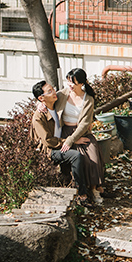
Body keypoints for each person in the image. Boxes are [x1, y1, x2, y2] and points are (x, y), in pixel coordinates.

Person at [31, 68, 105, 205]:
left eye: (73, 83)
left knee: (93, 156)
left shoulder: (88, 99)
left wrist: (73, 139)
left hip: (80, 132)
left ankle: (95, 188)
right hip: (64, 134)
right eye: (68, 82)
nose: (69, 85)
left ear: (81, 83)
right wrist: (38, 104)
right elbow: (44, 99)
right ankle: (83, 192)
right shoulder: (62, 94)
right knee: (77, 156)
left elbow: (84, 124)